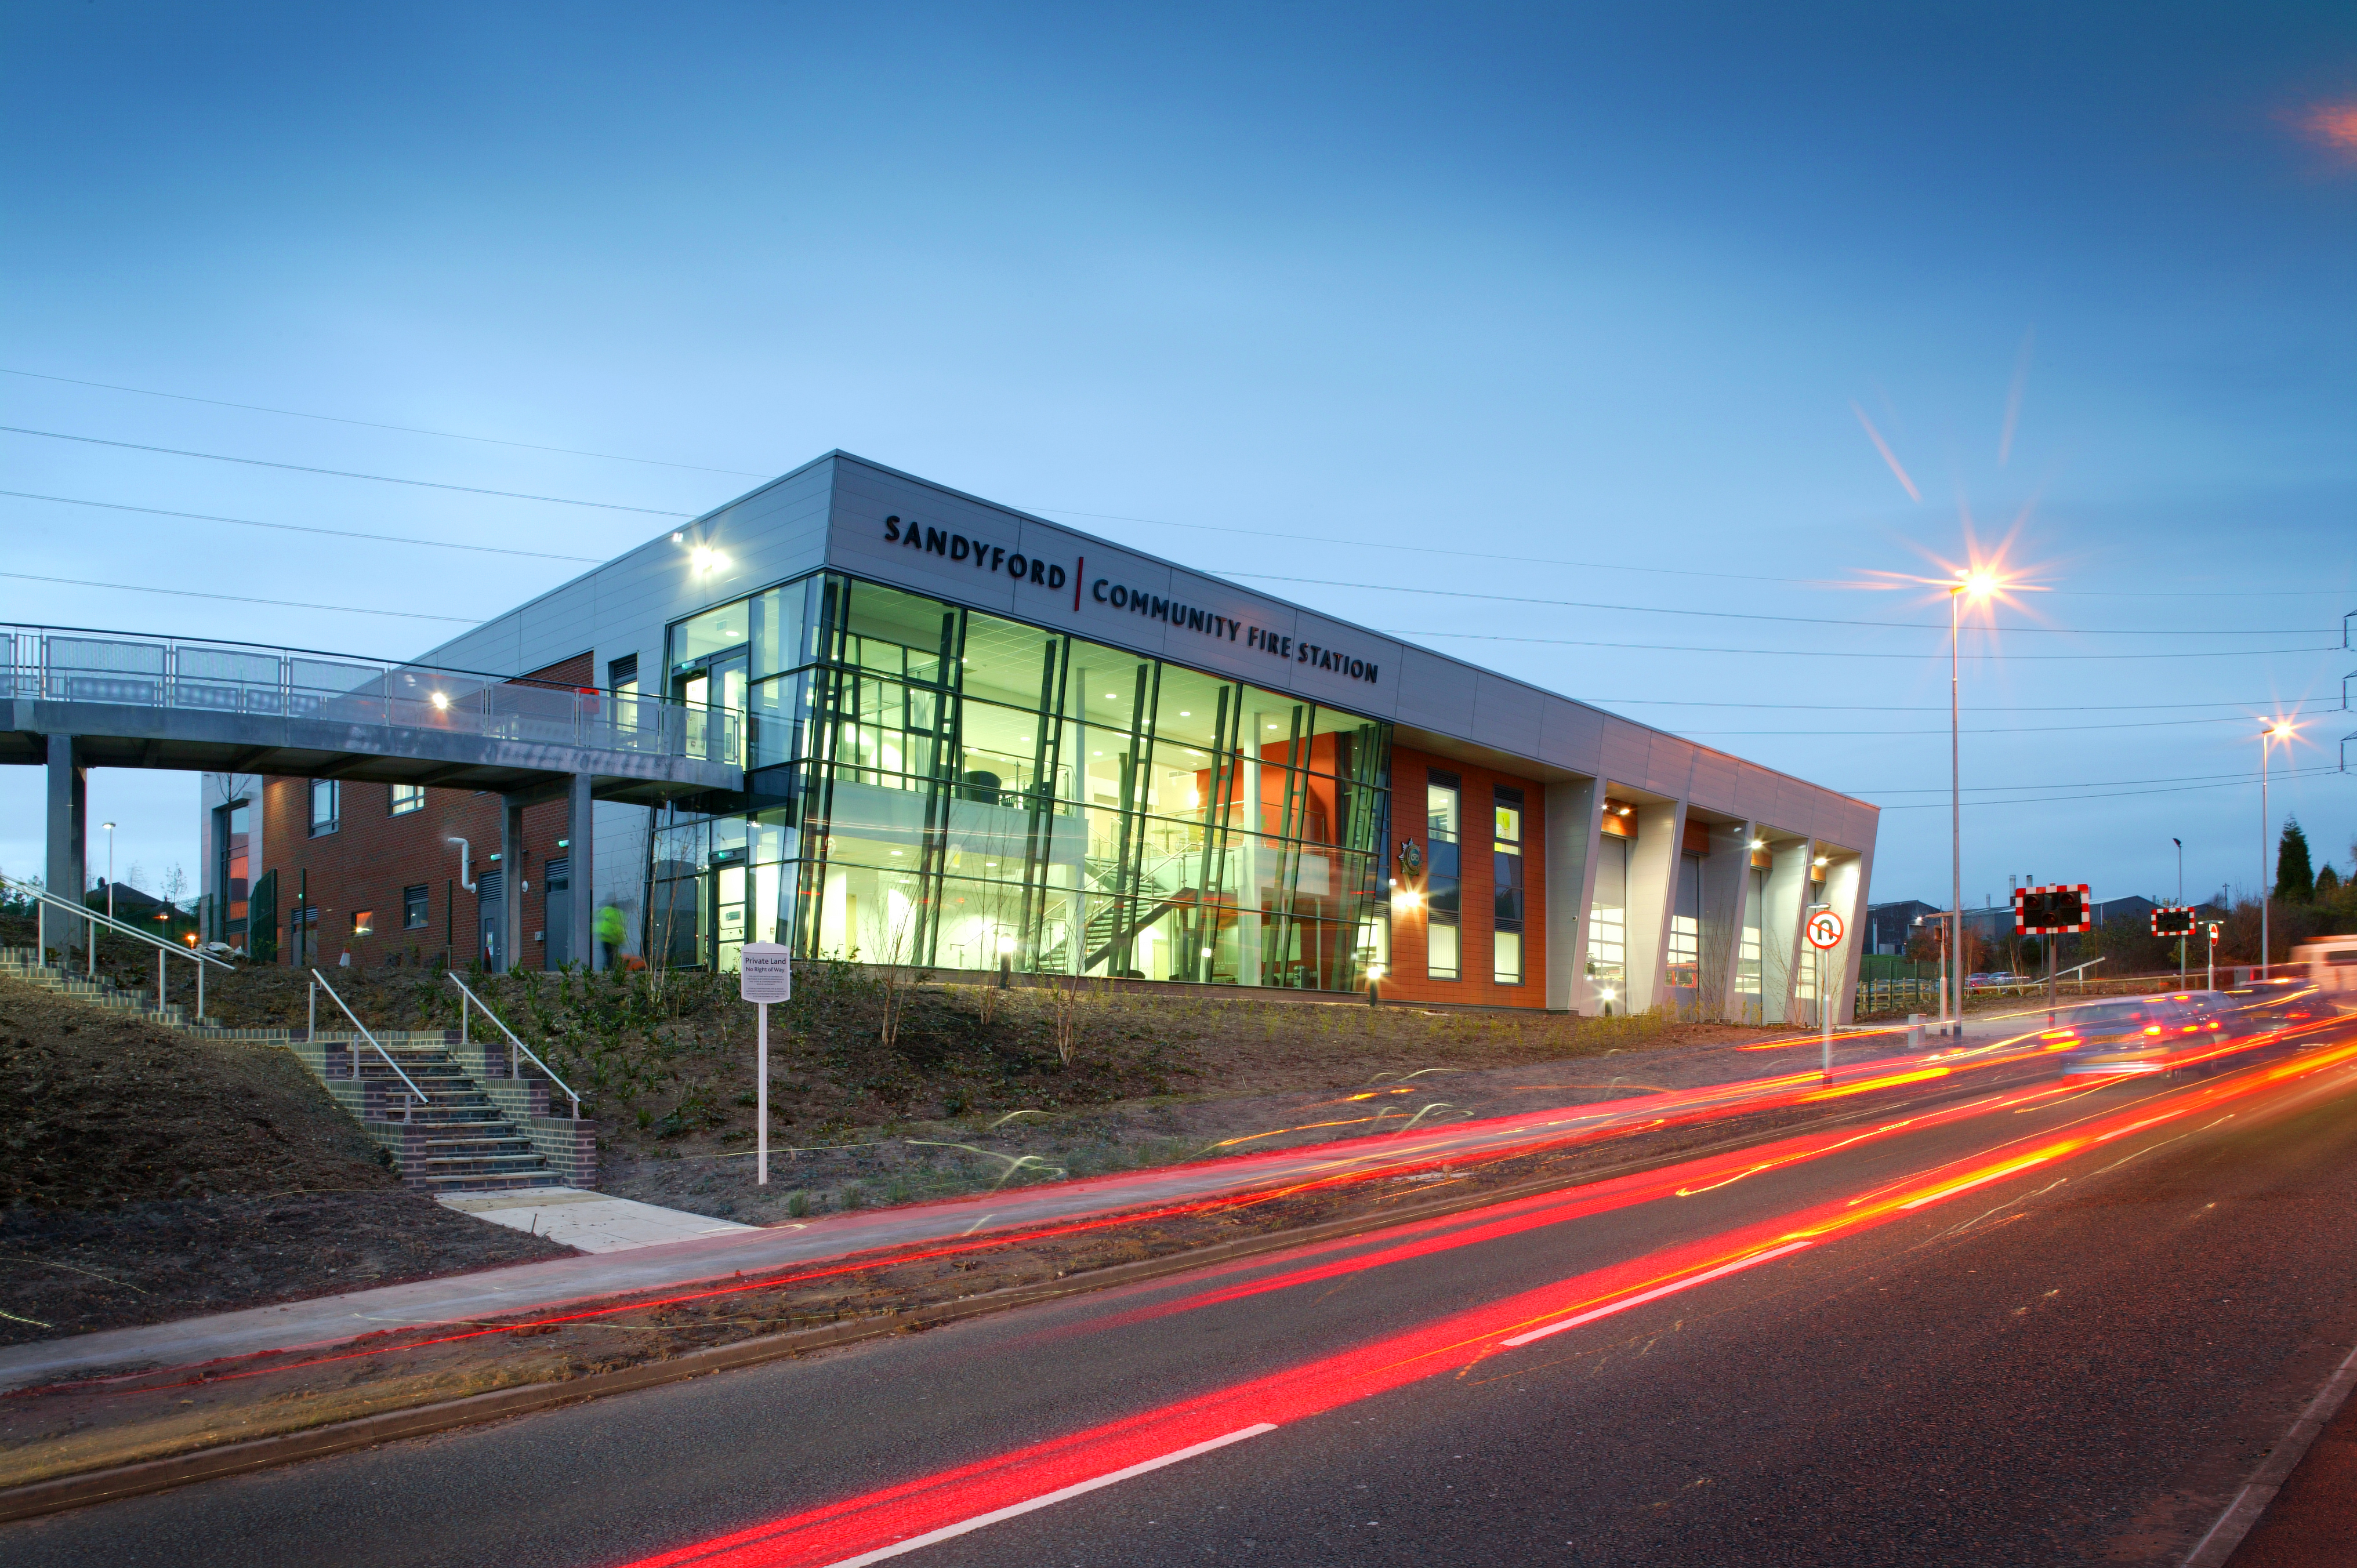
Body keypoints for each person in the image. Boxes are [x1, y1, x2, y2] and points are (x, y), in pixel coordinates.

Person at [595, 902, 625, 971]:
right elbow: (618, 928)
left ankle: (607, 969)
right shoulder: (617, 914)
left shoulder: (606, 912)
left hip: (604, 937)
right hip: (613, 939)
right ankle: (610, 969)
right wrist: (622, 940)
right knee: (612, 955)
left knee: (608, 955)